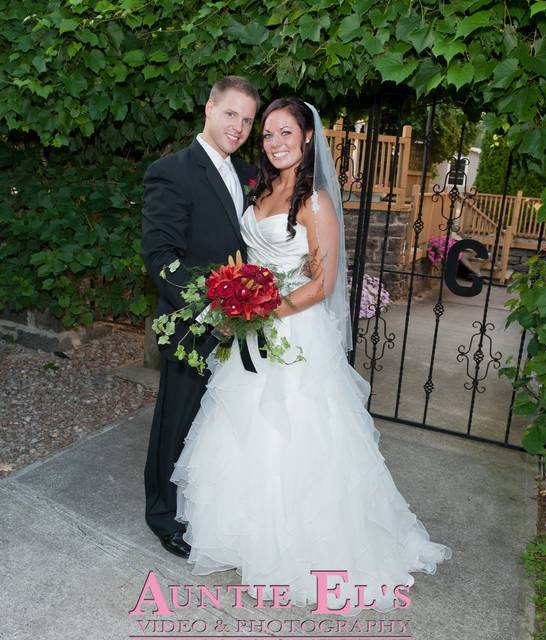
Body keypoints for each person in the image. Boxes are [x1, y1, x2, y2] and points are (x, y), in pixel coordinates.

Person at [170, 98, 451, 612]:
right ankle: (251, 538)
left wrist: (263, 309)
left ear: (307, 138)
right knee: (244, 431)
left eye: (286, 133)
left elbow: (322, 283)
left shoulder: (315, 200)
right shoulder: (263, 187)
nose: (276, 143)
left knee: (297, 436)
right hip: (253, 329)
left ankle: (305, 547)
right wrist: (239, 298)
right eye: (269, 134)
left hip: (293, 331)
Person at [141, 76, 259, 558]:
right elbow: (159, 255)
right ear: (209, 108)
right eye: (231, 113)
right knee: (178, 418)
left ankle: (209, 506)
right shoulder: (172, 171)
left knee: (222, 423)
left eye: (248, 120)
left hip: (247, 324)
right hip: (192, 323)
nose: (239, 126)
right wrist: (213, 306)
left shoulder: (251, 174)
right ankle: (162, 514)